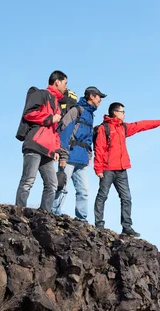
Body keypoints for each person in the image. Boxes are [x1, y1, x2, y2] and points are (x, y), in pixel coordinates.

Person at [93, 102, 160, 237]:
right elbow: (99, 149)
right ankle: (99, 225)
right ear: (115, 113)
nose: (124, 114)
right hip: (107, 169)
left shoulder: (123, 127)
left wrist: (159, 122)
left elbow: (140, 125)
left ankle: (127, 227)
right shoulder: (103, 128)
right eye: (122, 111)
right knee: (102, 196)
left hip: (122, 169)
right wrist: (98, 168)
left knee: (126, 198)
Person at [15, 70, 69, 211]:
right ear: (57, 81)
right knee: (28, 180)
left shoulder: (57, 104)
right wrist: (50, 118)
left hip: (48, 150)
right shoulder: (41, 94)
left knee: (52, 184)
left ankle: (44, 216)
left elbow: (55, 131)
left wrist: (56, 149)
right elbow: (29, 113)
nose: (66, 87)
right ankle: (18, 211)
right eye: (65, 83)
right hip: (35, 144)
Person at [52, 86, 106, 221]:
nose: (100, 100)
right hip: (69, 156)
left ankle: (82, 218)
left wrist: (89, 155)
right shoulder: (76, 110)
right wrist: (63, 156)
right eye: (99, 97)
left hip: (81, 159)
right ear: (91, 96)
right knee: (61, 186)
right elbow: (64, 133)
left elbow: (88, 137)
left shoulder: (90, 114)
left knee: (83, 191)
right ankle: (53, 213)